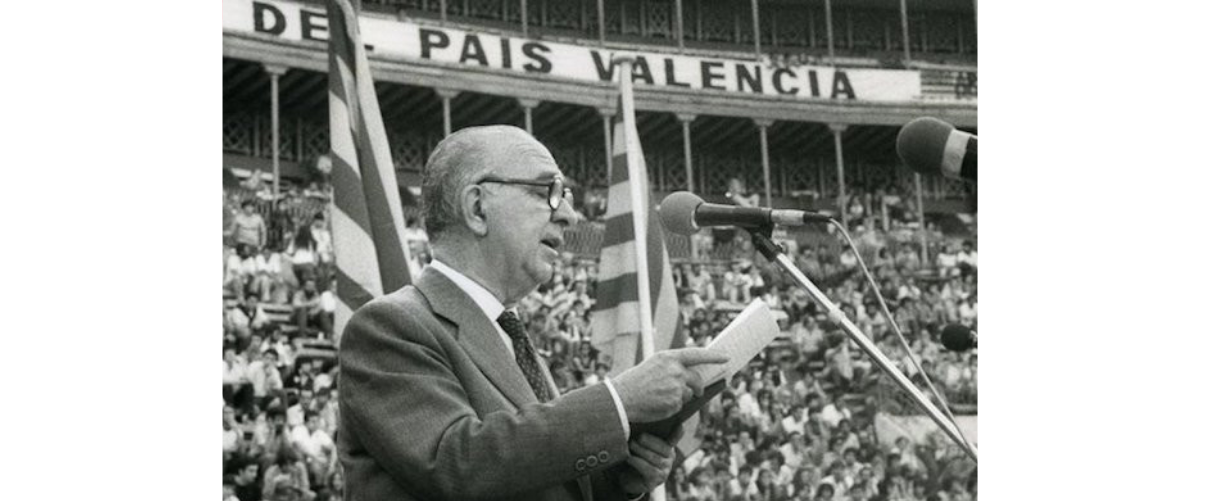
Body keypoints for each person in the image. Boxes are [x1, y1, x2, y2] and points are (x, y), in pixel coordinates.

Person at [338, 126, 730, 501]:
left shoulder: (510, 337)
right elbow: (454, 463)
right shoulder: (390, 326)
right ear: (477, 207)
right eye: (549, 191)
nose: (569, 216)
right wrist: (617, 402)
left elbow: (530, 477)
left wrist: (620, 480)